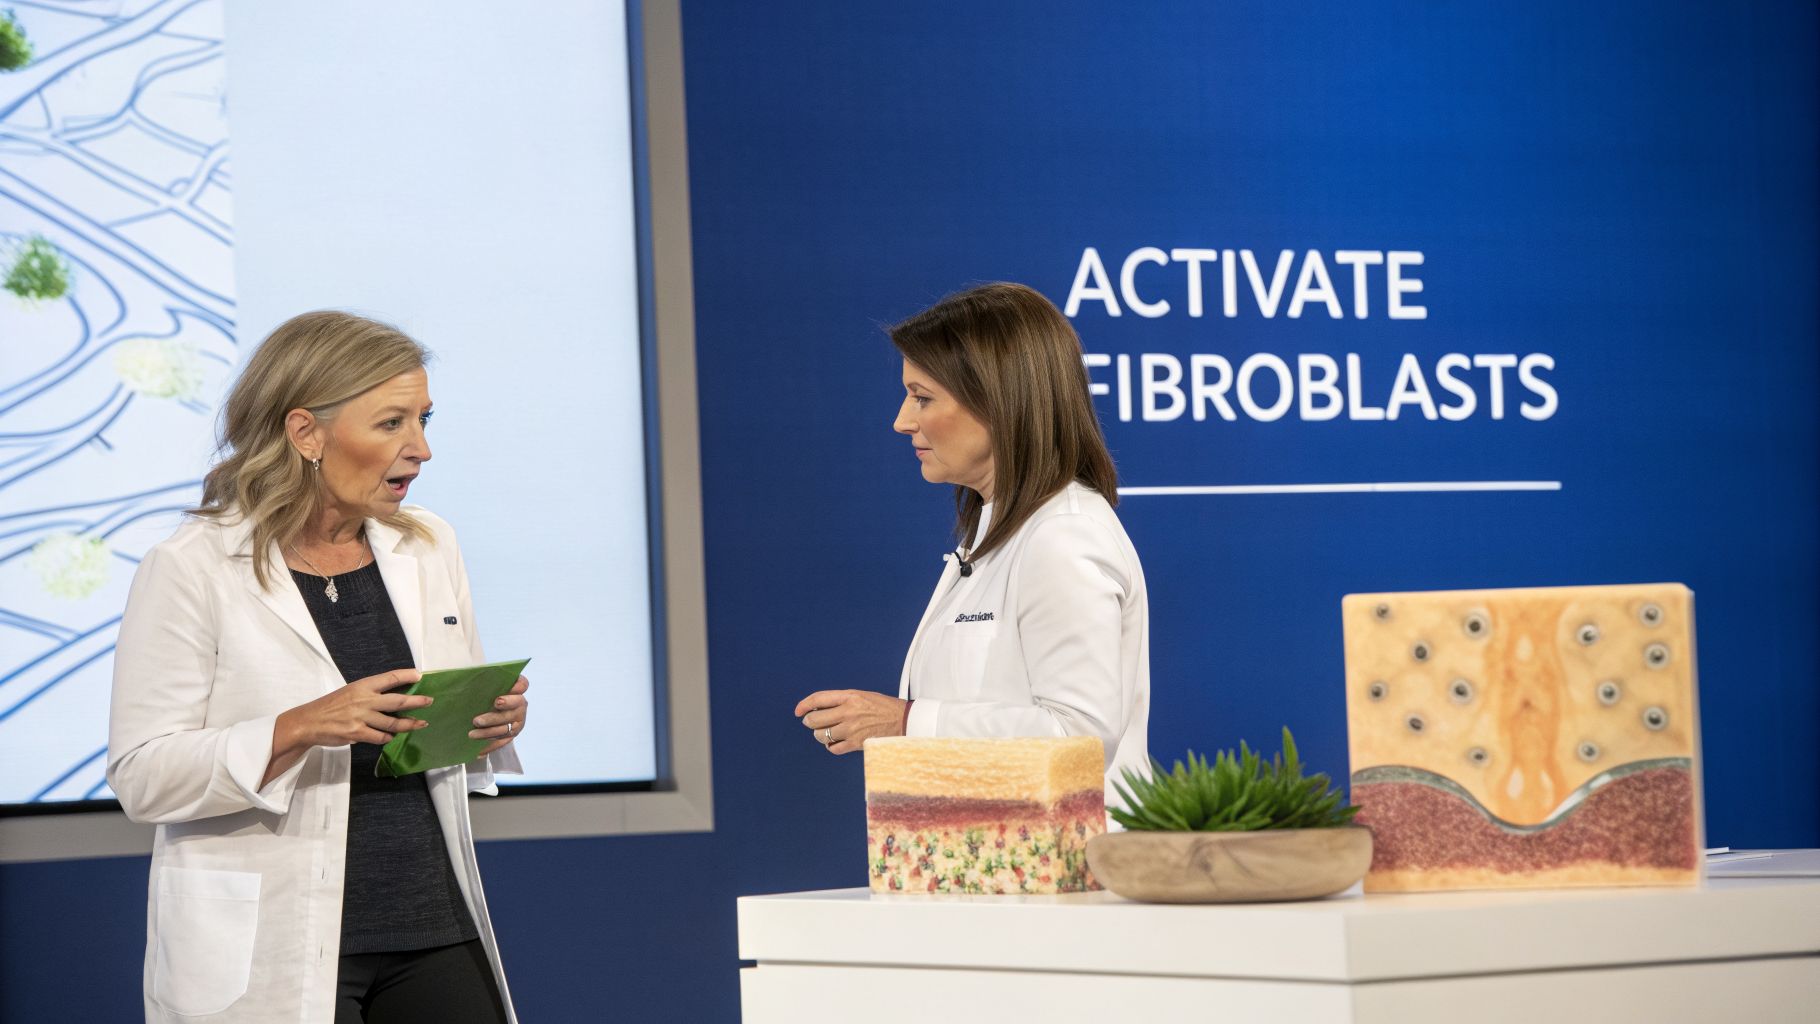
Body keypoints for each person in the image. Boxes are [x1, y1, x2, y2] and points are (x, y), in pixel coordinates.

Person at [107, 311, 528, 1023]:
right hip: (271, 938)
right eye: (392, 423)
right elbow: (143, 777)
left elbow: (431, 729)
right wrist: (300, 727)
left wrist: (487, 720)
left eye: (424, 420)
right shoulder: (190, 566)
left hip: (431, 921)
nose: (420, 449)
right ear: (306, 433)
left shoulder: (429, 544)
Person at [794, 282, 1150, 795]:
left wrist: (908, 722)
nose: (901, 421)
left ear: (999, 402)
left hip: (1078, 868)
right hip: (1004, 862)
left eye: (922, 398)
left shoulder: (1063, 535)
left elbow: (1081, 738)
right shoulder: (1006, 529)